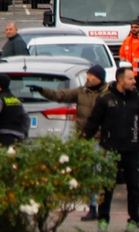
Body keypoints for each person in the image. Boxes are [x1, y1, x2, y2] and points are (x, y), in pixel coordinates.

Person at [30, 64, 108, 221]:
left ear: (99, 78)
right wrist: (42, 90)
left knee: (98, 172)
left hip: (101, 139)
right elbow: (61, 95)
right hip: (84, 138)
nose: (88, 78)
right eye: (87, 75)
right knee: (87, 173)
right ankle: (92, 207)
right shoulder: (81, 92)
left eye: (91, 76)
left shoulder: (107, 94)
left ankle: (102, 208)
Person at [82, 67, 139, 232]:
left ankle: (134, 221)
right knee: (107, 186)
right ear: (121, 80)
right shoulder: (106, 99)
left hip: (132, 150)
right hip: (110, 150)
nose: (134, 82)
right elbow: (93, 122)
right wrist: (83, 141)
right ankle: (103, 219)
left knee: (133, 187)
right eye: (131, 79)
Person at [0, 73, 30, 146]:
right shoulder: (15, 99)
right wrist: (23, 133)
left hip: (3, 138)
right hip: (18, 138)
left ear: (0, 85)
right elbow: (26, 118)